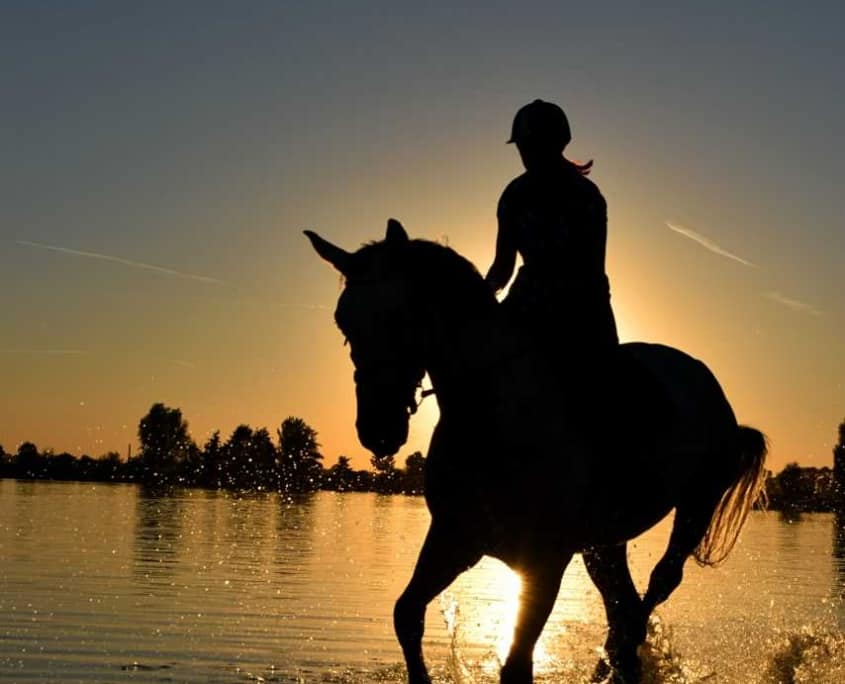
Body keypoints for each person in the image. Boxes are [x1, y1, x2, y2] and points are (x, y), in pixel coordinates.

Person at [485, 99, 618, 375]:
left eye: (532, 145)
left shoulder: (586, 197)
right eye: (523, 147)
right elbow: (503, 265)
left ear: (555, 143)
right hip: (524, 304)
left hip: (583, 312)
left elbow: (592, 268)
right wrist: (480, 296)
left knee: (606, 383)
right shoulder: (514, 195)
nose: (526, 153)